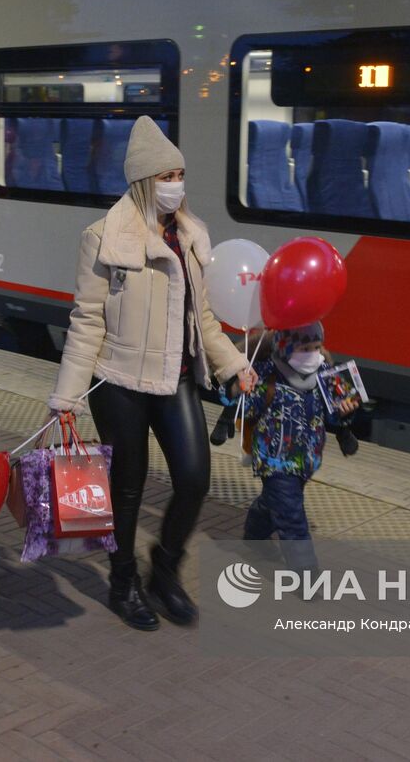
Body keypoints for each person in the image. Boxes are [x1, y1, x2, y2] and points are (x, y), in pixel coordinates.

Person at [49, 116, 256, 631]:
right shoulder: (103, 238)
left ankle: (165, 569)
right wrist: (67, 397)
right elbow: (87, 320)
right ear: (145, 180)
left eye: (180, 174)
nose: (176, 185)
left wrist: (233, 364)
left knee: (194, 477)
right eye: (167, 175)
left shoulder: (190, 237)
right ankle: (124, 583)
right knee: (127, 488)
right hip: (117, 381)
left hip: (176, 377)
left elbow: (202, 317)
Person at [231, 322, 360, 569]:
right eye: (304, 348)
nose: (312, 354)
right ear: (285, 346)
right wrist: (241, 390)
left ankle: (254, 536)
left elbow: (335, 415)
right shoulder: (266, 373)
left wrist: (346, 412)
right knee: (292, 516)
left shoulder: (325, 373)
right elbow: (242, 408)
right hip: (274, 459)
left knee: (275, 502)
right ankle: (307, 573)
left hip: (308, 457)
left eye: (316, 346)